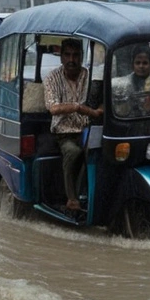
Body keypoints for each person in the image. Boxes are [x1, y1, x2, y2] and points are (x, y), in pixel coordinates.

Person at [45, 38, 102, 213]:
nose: (72, 60)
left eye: (76, 55)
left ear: (82, 56)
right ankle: (72, 199)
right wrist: (79, 108)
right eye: (67, 55)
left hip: (89, 130)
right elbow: (53, 108)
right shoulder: (52, 78)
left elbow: (105, 99)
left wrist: (100, 110)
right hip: (64, 134)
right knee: (73, 151)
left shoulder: (90, 76)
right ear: (61, 57)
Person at [111, 46, 150, 118]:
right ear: (132, 65)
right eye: (138, 63)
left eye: (145, 63)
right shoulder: (123, 83)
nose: (141, 66)